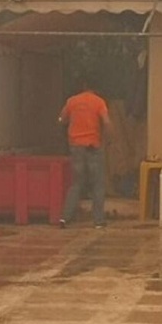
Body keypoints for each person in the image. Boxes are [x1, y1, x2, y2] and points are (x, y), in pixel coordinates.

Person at [57, 78, 113, 228]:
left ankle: (64, 218)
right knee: (98, 184)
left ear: (83, 86)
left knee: (76, 183)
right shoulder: (99, 102)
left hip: (76, 147)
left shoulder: (72, 101)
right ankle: (98, 221)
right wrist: (107, 139)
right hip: (93, 146)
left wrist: (65, 121)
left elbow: (62, 119)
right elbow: (106, 122)